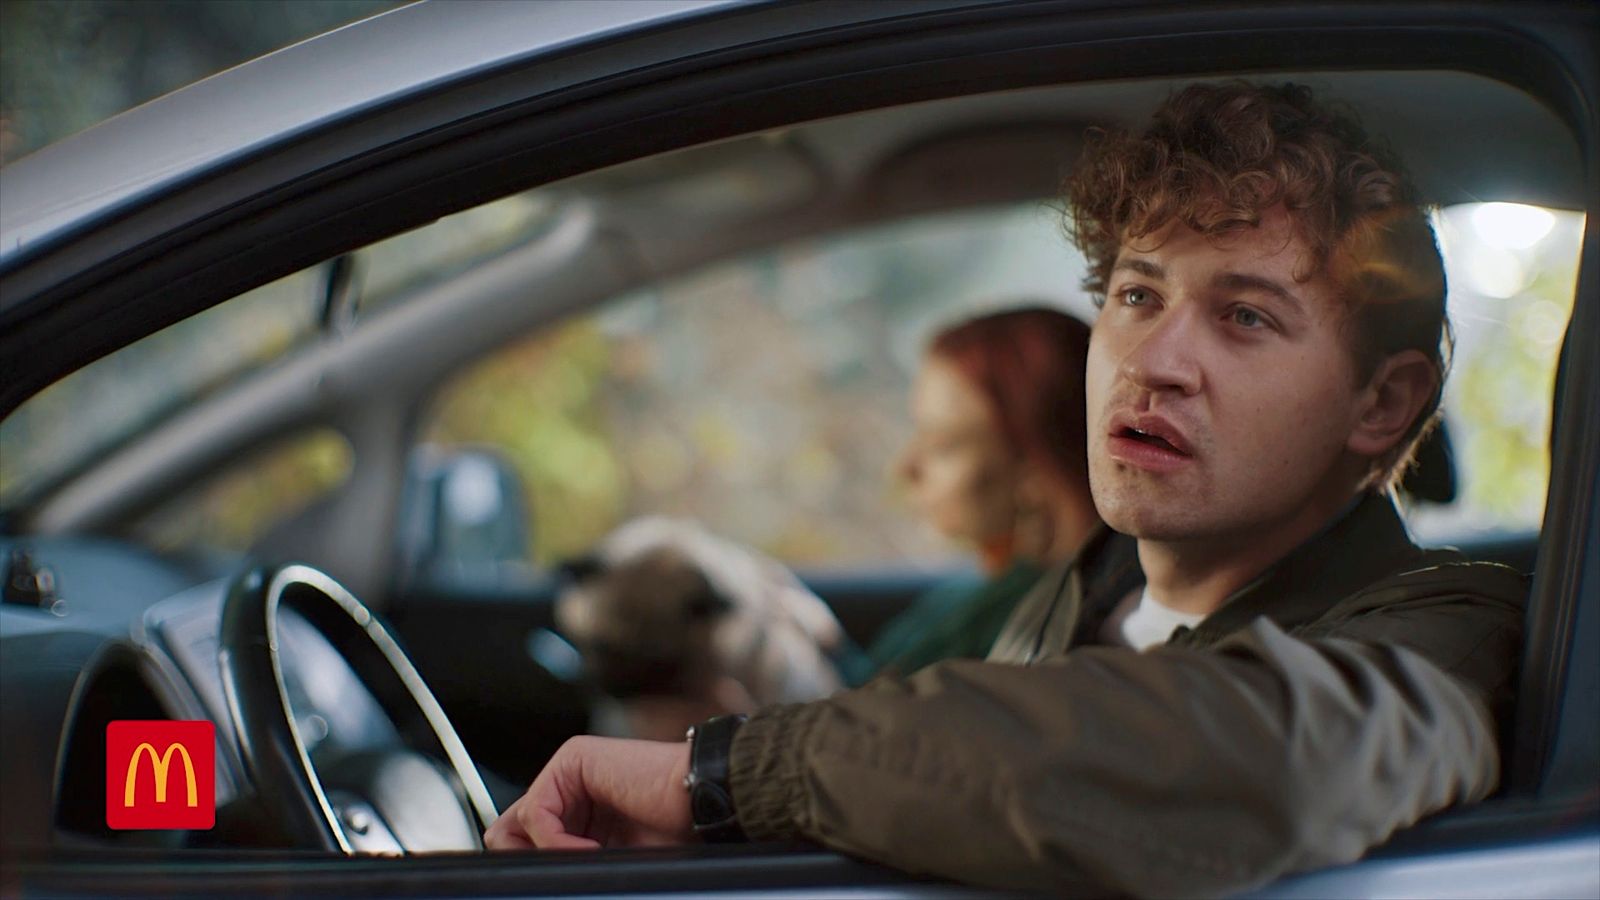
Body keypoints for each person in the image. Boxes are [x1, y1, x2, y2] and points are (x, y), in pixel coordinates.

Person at [483, 82, 1525, 897]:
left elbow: (1259, 763)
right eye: (1134, 293)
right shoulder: (1086, 587)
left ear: (1381, 405)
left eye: (1244, 317)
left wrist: (719, 781)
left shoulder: (1449, 634)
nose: (1151, 360)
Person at [860, 306, 1099, 680]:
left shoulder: (1018, 629)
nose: (905, 468)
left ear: (1034, 472)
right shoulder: (989, 588)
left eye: (942, 445)